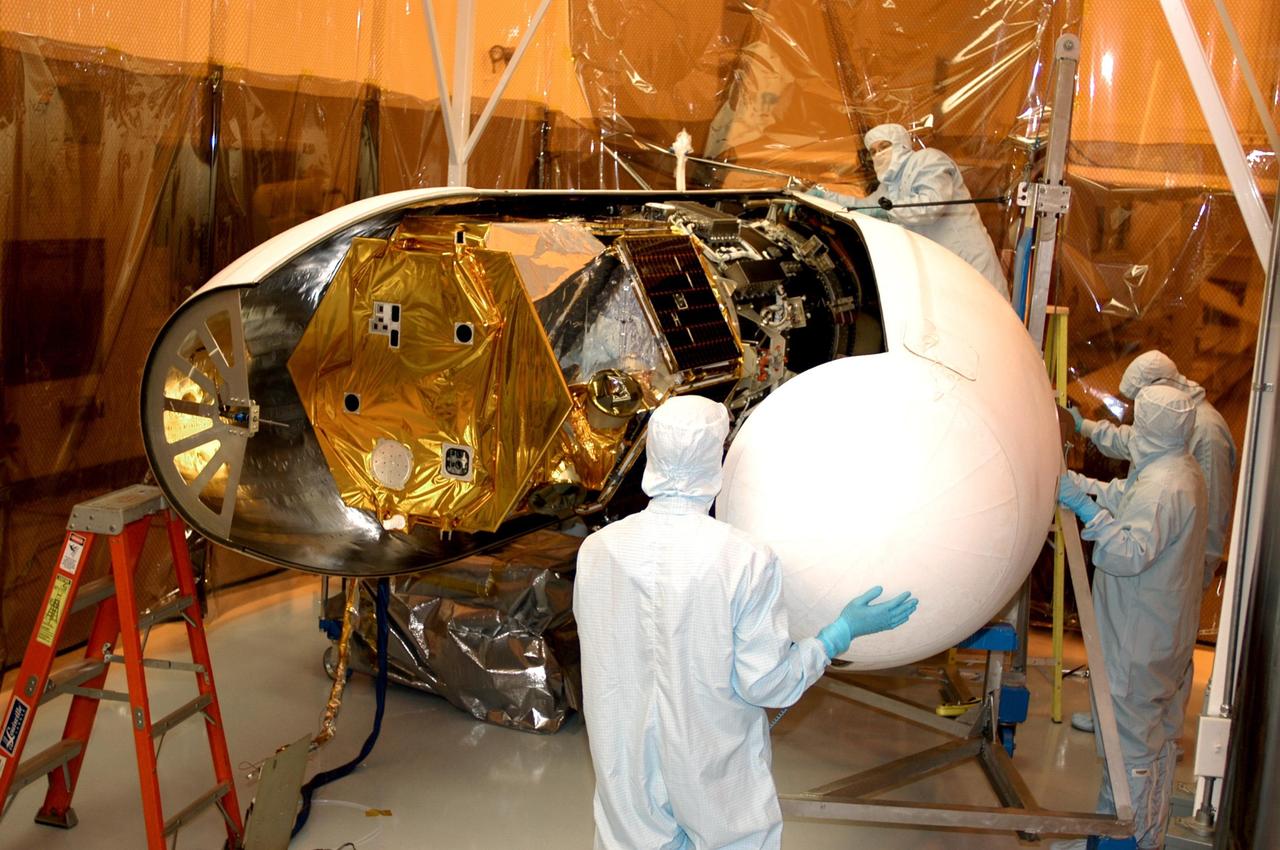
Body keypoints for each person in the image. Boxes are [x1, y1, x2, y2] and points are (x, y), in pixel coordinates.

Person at [574, 396, 917, 850]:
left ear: (649, 455)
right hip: (714, 775)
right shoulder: (743, 559)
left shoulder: (598, 552)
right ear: (715, 459)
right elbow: (767, 685)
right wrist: (836, 635)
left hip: (626, 771)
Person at [1055, 385, 1207, 850]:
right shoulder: (1178, 469)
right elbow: (1127, 497)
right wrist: (1081, 485)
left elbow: (1127, 551)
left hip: (1137, 641)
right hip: (1164, 633)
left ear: (1153, 424)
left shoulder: (1164, 485)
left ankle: (1125, 840)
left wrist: (1083, 510)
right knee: (1155, 744)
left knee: (1128, 754)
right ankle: (1139, 835)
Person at [1067, 350, 1236, 734]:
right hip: (1163, 565)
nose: (1134, 421)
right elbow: (1137, 445)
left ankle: (1157, 734)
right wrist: (1088, 431)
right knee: (1141, 681)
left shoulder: (1203, 436)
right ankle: (1128, 723)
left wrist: (1201, 567)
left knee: (1154, 673)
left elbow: (1209, 511)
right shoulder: (1170, 438)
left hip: (1175, 570)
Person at [808, 122, 1007, 298]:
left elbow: (930, 205)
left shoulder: (928, 160)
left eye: (884, 146)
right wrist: (824, 198)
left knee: (992, 326)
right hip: (941, 267)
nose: (878, 154)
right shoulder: (889, 185)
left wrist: (886, 212)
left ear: (901, 144)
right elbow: (864, 207)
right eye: (873, 151)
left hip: (968, 260)